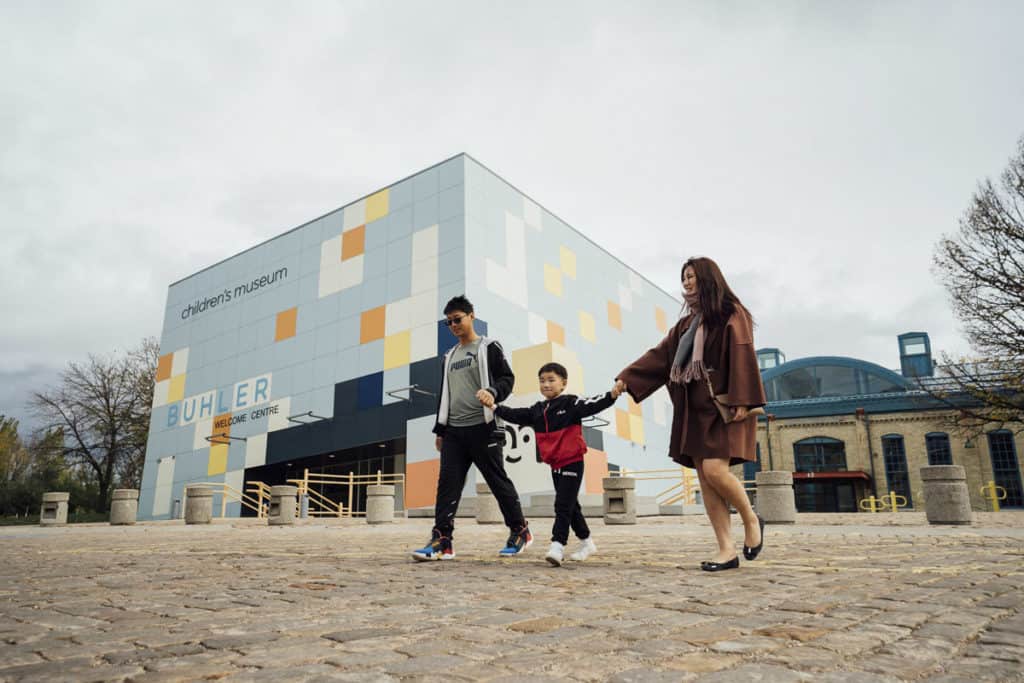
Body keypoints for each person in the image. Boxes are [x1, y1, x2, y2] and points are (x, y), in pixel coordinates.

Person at [616, 257, 767, 571]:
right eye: (683, 277)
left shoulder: (730, 313)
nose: (686, 282)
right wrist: (627, 378)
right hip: (695, 411)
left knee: (714, 470)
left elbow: (742, 352)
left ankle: (751, 518)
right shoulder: (685, 325)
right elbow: (660, 356)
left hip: (726, 406)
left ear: (708, 278)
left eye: (692, 276)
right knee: (706, 479)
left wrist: (743, 398)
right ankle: (726, 549)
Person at [411, 295, 532, 561]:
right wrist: (440, 430)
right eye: (449, 322)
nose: (454, 325)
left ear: (471, 316)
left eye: (458, 319)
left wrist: (492, 392)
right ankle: (442, 540)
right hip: (454, 432)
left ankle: (520, 530)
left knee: (497, 482)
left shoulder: (488, 347)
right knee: (447, 486)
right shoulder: (449, 356)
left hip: (484, 427)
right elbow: (445, 395)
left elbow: (507, 379)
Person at [481, 362, 623, 566]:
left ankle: (557, 545)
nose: (546, 384)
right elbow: (515, 415)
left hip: (572, 461)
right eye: (542, 381)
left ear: (563, 383)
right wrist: (494, 407)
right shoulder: (538, 410)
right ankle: (587, 542)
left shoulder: (571, 404)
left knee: (562, 505)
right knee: (571, 506)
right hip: (555, 464)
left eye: (551, 380)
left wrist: (612, 394)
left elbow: (594, 403)